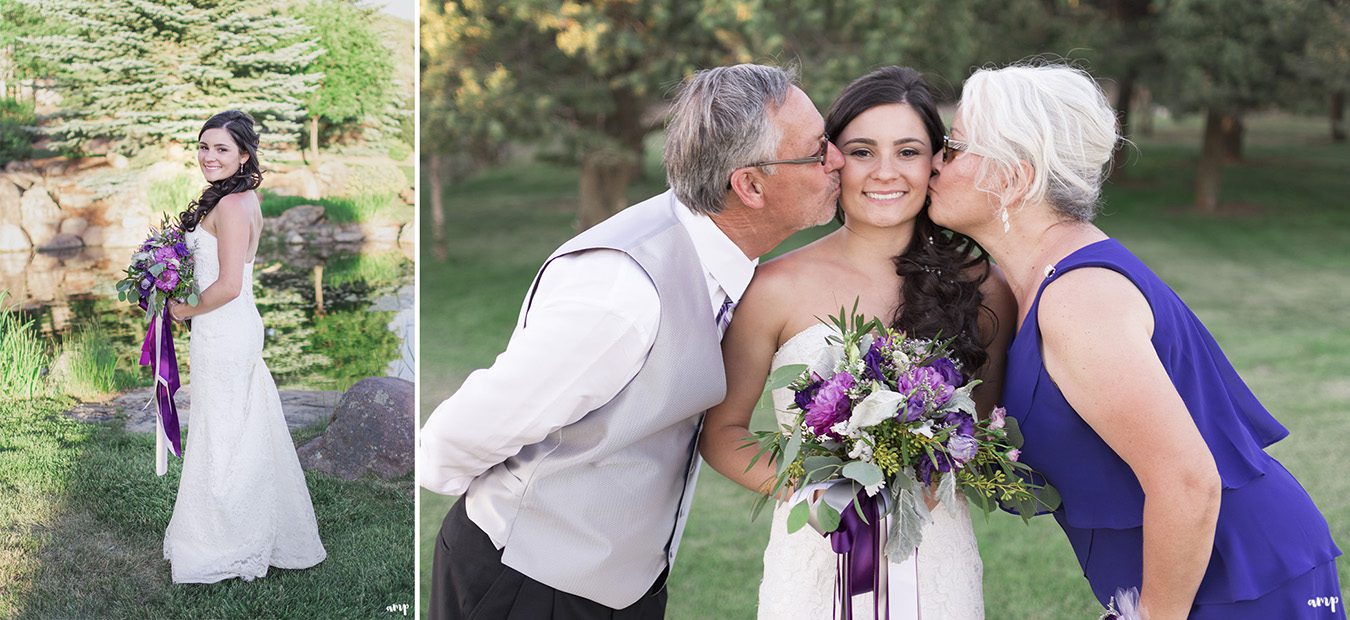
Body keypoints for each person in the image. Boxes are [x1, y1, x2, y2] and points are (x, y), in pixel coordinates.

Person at [418, 63, 843, 619]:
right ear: (750, 185)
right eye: (817, 152)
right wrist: (519, 523)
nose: (837, 159)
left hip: (622, 588)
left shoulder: (724, 259)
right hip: (525, 585)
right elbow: (451, 441)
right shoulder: (623, 289)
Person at [928, 62, 1343, 619]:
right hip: (1199, 572)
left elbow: (1188, 481)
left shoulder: (1079, 299)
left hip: (1238, 579)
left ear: (1014, 177)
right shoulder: (1033, 279)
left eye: (953, 147)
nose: (933, 162)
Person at [699, 66, 1015, 619]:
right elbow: (722, 433)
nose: (885, 172)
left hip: (934, 553)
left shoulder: (982, 288)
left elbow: (982, 431)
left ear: (935, 163)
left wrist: (934, 470)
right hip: (816, 553)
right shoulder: (773, 288)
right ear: (832, 160)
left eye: (909, 151)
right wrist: (826, 492)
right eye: (863, 150)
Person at [163, 110, 327, 583]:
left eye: (221, 149)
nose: (208, 157)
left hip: (225, 325)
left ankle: (231, 539)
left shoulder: (233, 206)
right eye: (203, 146)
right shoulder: (237, 196)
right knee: (237, 426)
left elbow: (230, 284)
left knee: (226, 434)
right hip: (225, 327)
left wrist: (181, 310)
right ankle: (248, 526)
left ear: (244, 155)